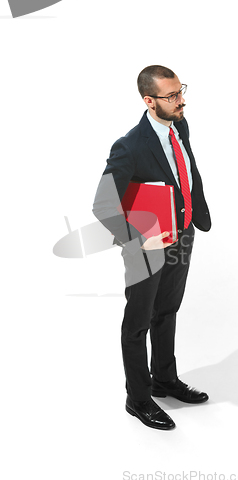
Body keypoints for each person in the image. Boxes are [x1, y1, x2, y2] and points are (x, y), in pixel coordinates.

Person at [93, 65, 211, 430]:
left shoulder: (180, 126)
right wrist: (138, 237)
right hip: (146, 246)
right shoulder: (129, 145)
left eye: (181, 91)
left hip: (182, 234)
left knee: (167, 310)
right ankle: (139, 398)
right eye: (172, 96)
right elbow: (102, 205)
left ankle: (164, 380)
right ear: (149, 100)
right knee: (138, 323)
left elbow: (184, 172)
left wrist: (191, 217)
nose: (181, 100)